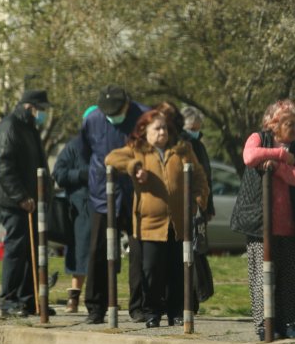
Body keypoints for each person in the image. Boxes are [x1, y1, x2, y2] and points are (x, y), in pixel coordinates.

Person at [106, 110, 209, 328]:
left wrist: (199, 200)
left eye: (164, 128)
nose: (162, 132)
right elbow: (112, 158)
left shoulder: (182, 149)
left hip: (178, 220)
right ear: (145, 131)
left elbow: (199, 175)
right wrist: (134, 167)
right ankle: (152, 311)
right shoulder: (139, 150)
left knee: (177, 268)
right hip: (150, 223)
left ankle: (176, 311)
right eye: (156, 128)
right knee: (151, 270)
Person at [243, 99, 295, 340]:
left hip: (292, 226)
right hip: (260, 225)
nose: (293, 127)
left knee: (292, 278)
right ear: (273, 125)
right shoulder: (258, 139)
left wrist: (279, 168)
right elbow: (249, 157)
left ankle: (292, 323)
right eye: (288, 123)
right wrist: (281, 155)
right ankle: (266, 324)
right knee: (262, 276)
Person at [81, 85, 149, 324]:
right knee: (98, 252)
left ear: (127, 105)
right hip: (102, 195)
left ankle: (140, 306)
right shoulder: (93, 120)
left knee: (139, 253)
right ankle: (95, 307)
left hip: (135, 195)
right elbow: (85, 151)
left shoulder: (144, 117)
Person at [0, 89, 54, 318]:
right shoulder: (9, 127)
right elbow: (4, 166)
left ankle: (28, 300)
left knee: (32, 252)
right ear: (30, 107)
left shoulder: (29, 128)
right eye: (42, 110)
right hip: (15, 202)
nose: (44, 115)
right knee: (17, 250)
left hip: (32, 200)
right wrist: (20, 196)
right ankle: (8, 299)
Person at [52, 133, 92, 313]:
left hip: (104, 205)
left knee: (105, 255)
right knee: (79, 253)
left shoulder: (108, 143)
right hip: (79, 209)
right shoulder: (74, 145)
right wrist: (80, 175)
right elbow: (58, 174)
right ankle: (73, 299)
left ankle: (103, 299)